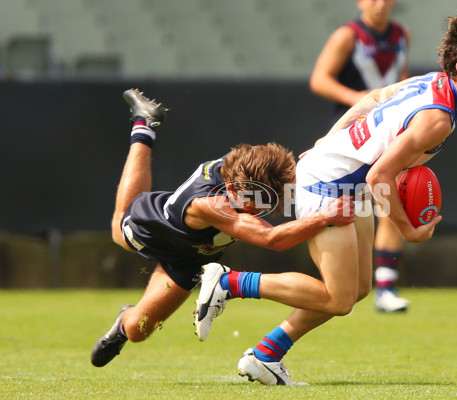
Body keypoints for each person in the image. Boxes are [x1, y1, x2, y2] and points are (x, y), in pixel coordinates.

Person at [196, 9, 457, 385]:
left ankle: (265, 356)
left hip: (342, 182)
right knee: (337, 298)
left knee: (357, 289)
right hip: (328, 187)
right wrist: (407, 230)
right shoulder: (437, 118)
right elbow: (380, 176)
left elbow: (373, 98)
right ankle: (229, 283)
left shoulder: (434, 82)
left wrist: (328, 141)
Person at [90, 89, 355, 368]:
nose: (259, 209)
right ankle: (145, 125)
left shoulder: (258, 173)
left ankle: (122, 324)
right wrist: (324, 217)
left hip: (190, 260)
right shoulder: (210, 204)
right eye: (252, 203)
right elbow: (271, 238)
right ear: (231, 188)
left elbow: (290, 180)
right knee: (119, 229)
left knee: (137, 331)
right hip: (154, 230)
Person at [309, 0, 412, 312]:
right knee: (357, 207)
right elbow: (320, 79)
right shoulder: (348, 36)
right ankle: (340, 276)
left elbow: (403, 80)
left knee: (395, 194)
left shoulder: (401, 35)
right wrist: (362, 101)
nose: (379, 4)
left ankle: (385, 285)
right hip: (354, 135)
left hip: (392, 132)